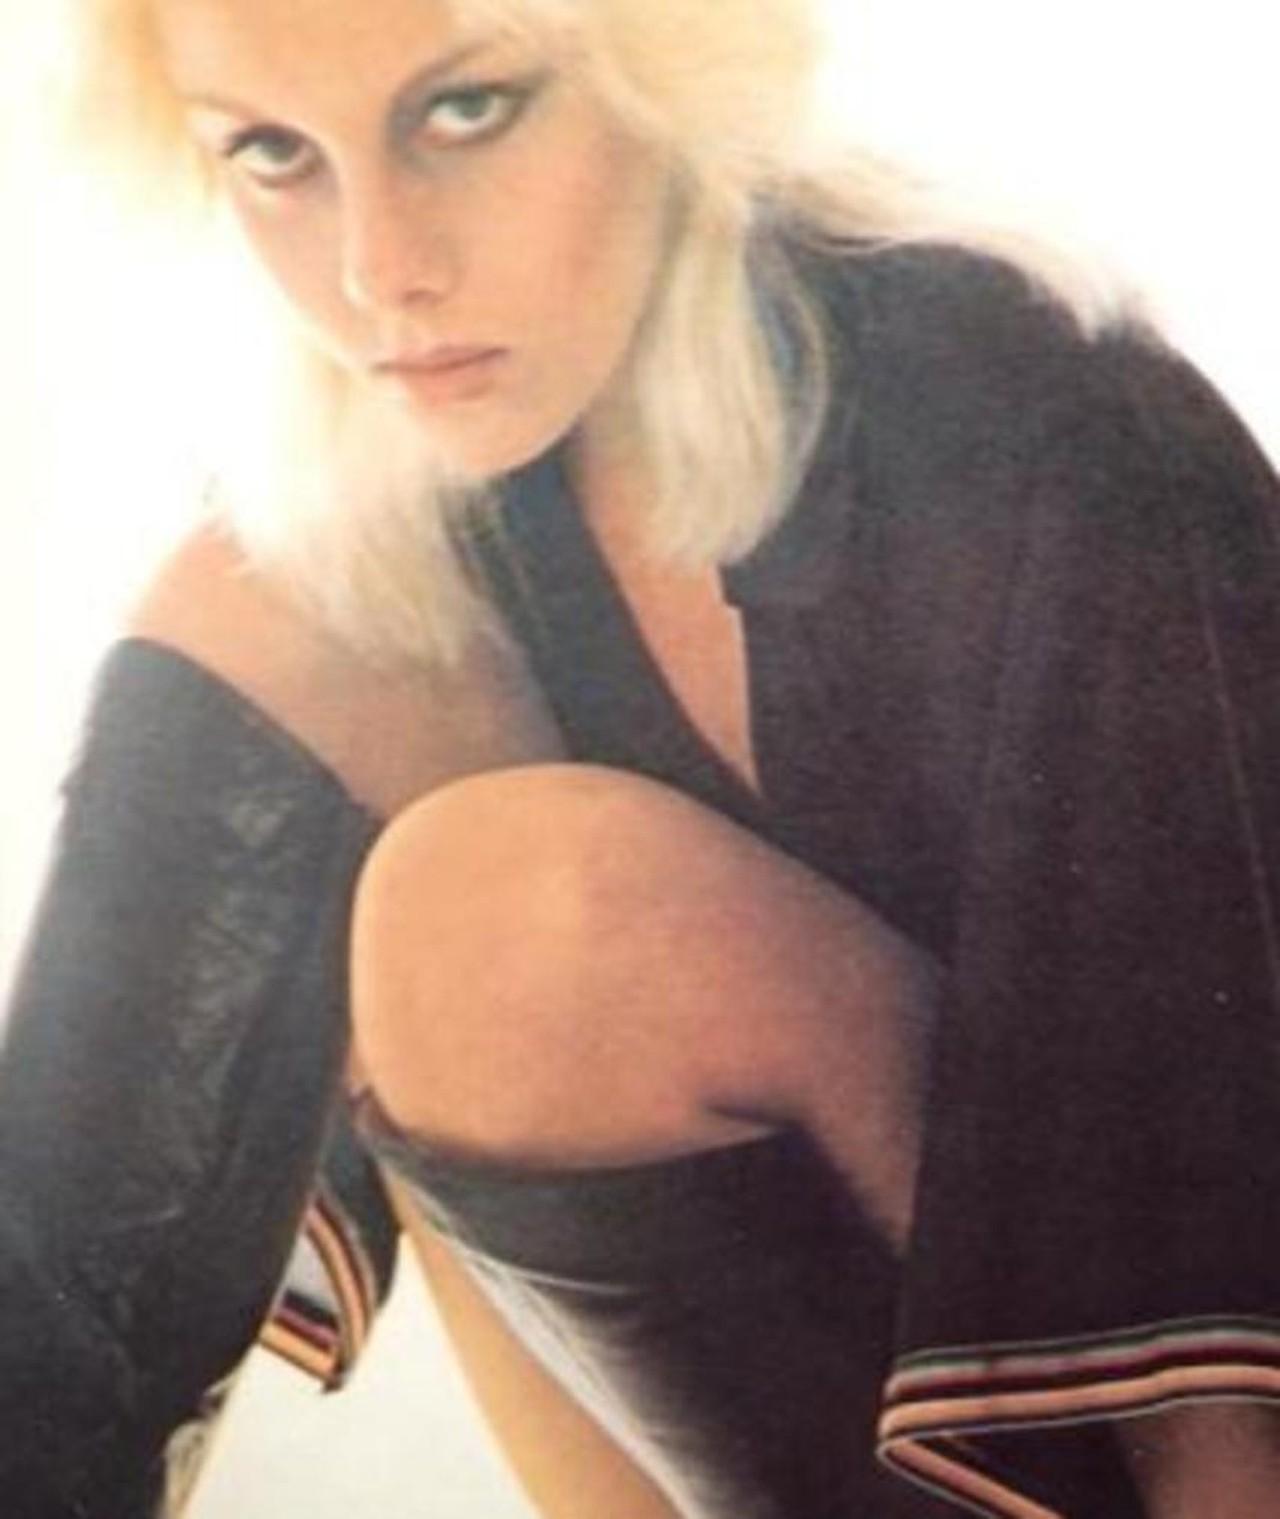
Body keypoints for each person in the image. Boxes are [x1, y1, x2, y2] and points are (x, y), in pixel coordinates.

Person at [3, 0, 1279, 1514]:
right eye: (275, 153)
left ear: (671, 60)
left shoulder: (1021, 404)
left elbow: (1217, 1270)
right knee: (299, 618)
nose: (378, 269)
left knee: (511, 903)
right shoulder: (409, 515)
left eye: (466, 111)